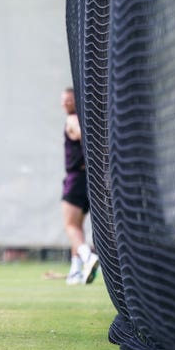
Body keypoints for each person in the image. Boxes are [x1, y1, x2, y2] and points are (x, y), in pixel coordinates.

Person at [60, 87, 99, 285]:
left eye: (69, 100)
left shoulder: (72, 120)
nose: (65, 103)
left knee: (71, 226)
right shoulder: (83, 118)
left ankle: (88, 257)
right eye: (63, 100)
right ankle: (75, 271)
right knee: (79, 227)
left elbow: (80, 133)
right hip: (91, 179)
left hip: (76, 179)